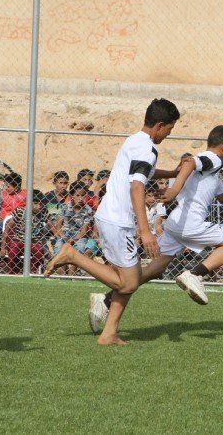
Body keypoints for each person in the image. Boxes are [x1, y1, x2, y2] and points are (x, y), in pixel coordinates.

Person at [88, 125, 223, 337]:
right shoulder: (214, 159)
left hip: (176, 224)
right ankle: (194, 275)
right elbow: (189, 162)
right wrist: (175, 189)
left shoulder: (210, 173)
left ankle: (105, 300)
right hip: (190, 223)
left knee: (152, 271)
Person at [44, 98, 182, 345]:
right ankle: (72, 255)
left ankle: (109, 333)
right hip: (119, 221)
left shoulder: (134, 140)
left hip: (110, 216)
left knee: (130, 276)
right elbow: (137, 186)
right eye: (169, 129)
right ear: (160, 125)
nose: (168, 135)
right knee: (129, 282)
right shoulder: (147, 149)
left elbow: (142, 173)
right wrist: (145, 231)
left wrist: (172, 173)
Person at [0, 189, 51, 274]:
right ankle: (11, 271)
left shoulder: (43, 214)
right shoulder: (20, 212)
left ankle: (32, 271)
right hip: (19, 240)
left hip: (34, 242)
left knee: (39, 252)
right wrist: (3, 247)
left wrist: (59, 234)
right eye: (35, 203)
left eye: (40, 204)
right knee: (13, 250)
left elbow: (52, 226)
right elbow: (7, 229)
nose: (38, 206)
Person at [51, 180, 93, 276]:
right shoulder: (65, 207)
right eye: (77, 195)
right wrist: (64, 238)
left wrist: (74, 239)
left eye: (83, 195)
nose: (80, 198)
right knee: (58, 247)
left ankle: (72, 273)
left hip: (79, 237)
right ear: (72, 195)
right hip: (64, 235)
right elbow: (58, 226)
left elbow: (84, 230)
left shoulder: (87, 210)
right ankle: (62, 271)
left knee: (80, 247)